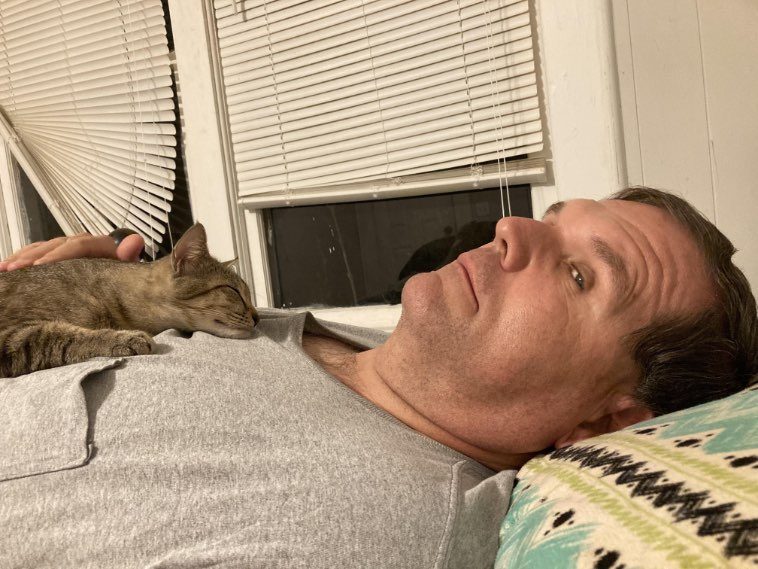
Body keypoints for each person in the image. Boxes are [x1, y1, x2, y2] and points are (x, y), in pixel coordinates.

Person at [1, 187, 756, 568]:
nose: (512, 228)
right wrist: (81, 295)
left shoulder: (368, 530)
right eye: (551, 218)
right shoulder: (327, 338)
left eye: (580, 274)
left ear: (604, 423)